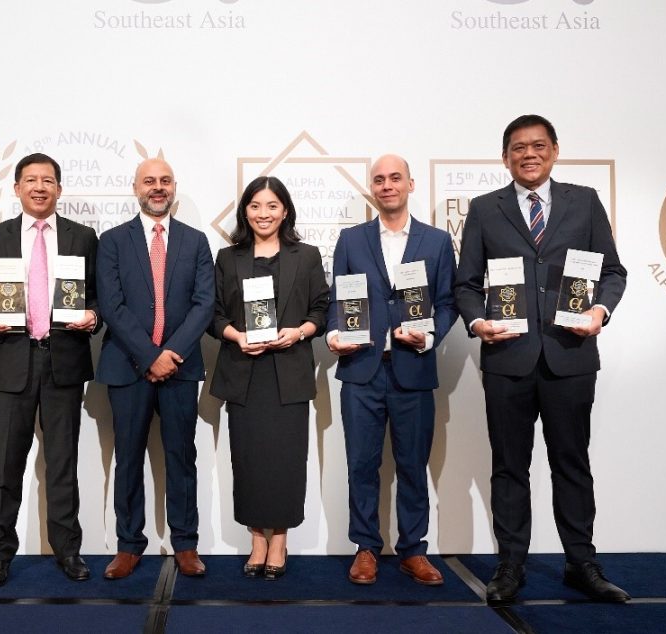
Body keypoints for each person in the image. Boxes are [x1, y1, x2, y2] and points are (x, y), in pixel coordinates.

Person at [454, 114, 629, 605]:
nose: (528, 154)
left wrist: (600, 310)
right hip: (506, 357)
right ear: (504, 157)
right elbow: (466, 284)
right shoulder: (485, 209)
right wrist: (477, 322)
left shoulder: (584, 201)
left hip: (570, 356)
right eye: (518, 147)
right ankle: (510, 565)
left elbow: (612, 271)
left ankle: (582, 563)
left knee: (571, 462)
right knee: (509, 466)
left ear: (554, 150)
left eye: (537, 146)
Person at [0, 153, 99, 585]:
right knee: (6, 466)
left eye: (47, 181)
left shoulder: (83, 237)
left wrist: (93, 316)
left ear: (59, 189)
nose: (39, 187)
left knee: (63, 463)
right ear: (17, 188)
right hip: (11, 359)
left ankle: (68, 551)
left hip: (64, 360)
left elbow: (97, 296)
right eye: (30, 180)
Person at [327, 155, 458, 586]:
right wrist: (334, 334)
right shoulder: (351, 240)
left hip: (413, 369)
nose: (387, 185)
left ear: (410, 184)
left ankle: (413, 550)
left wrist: (430, 335)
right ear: (372, 188)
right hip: (361, 370)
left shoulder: (436, 241)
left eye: (395, 178)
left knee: (413, 465)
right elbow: (337, 300)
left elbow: (447, 302)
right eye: (379, 179)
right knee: (361, 464)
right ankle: (366, 547)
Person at [95, 158, 214, 579]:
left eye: (165, 180)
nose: (157, 187)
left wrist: (171, 353)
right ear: (136, 188)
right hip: (128, 367)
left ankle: (186, 543)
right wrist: (150, 356)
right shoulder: (112, 241)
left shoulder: (196, 241)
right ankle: (129, 545)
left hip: (180, 367)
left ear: (174, 187)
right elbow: (111, 305)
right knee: (128, 457)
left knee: (182, 456)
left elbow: (205, 304)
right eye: (149, 181)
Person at [209, 176, 328, 580]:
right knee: (249, 461)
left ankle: (279, 541)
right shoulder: (228, 258)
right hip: (244, 374)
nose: (264, 214)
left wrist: (299, 332)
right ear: (245, 211)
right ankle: (256, 540)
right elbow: (213, 314)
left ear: (285, 211)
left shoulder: (306, 256)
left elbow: (321, 309)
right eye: (256, 206)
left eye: (272, 206)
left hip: (288, 372)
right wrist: (236, 336)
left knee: (286, 462)